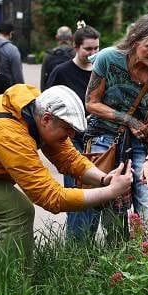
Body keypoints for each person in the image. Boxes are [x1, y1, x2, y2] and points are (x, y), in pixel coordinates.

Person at [0, 85, 133, 275]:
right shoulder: (12, 134)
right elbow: (51, 198)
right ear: (47, 119)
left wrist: (105, 179)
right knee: (18, 211)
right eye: (67, 129)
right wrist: (110, 193)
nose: (69, 136)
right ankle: (15, 291)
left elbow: (68, 158)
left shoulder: (35, 112)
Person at [85, 14, 148, 241]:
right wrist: (129, 120)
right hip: (105, 137)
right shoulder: (108, 59)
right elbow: (92, 103)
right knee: (111, 205)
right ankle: (114, 257)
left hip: (141, 144)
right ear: (135, 41)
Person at [47, 25, 102, 239]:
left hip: (98, 142)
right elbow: (46, 106)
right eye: (88, 48)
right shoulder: (61, 72)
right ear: (75, 47)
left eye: (97, 48)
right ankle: (75, 248)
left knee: (96, 194)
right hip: (71, 142)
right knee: (77, 197)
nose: (93, 53)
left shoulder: (102, 72)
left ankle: (87, 245)